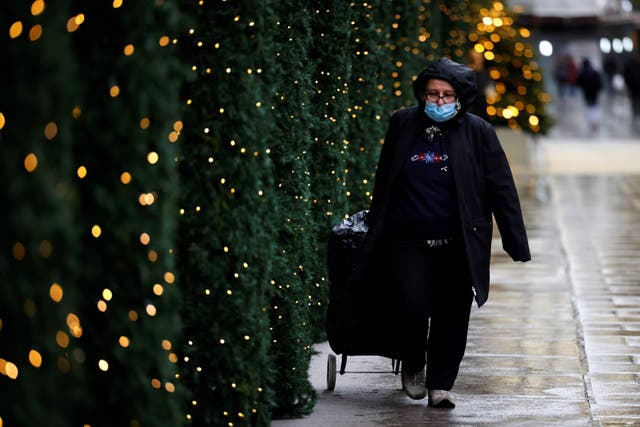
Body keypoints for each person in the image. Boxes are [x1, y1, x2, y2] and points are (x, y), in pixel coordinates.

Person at [351, 57, 531, 408]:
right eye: (432, 94)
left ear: (461, 97)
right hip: (407, 238)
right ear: (422, 94)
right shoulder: (403, 123)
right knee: (410, 305)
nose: (439, 102)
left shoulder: (478, 131)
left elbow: (500, 186)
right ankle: (414, 363)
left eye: (447, 95)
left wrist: (515, 240)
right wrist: (376, 227)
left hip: (458, 241)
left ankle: (441, 384)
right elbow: (385, 178)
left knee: (452, 312)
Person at [576, 58, 603, 133]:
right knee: (595, 107)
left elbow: (578, 83)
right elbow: (600, 84)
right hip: (594, 94)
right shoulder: (595, 72)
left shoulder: (582, 73)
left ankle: (591, 123)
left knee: (589, 108)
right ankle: (595, 121)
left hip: (587, 94)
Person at [624, 50, 640, 134]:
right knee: (634, 101)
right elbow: (626, 76)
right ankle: (635, 114)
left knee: (636, 100)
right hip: (632, 87)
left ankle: (637, 113)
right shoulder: (629, 64)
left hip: (636, 87)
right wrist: (627, 85)